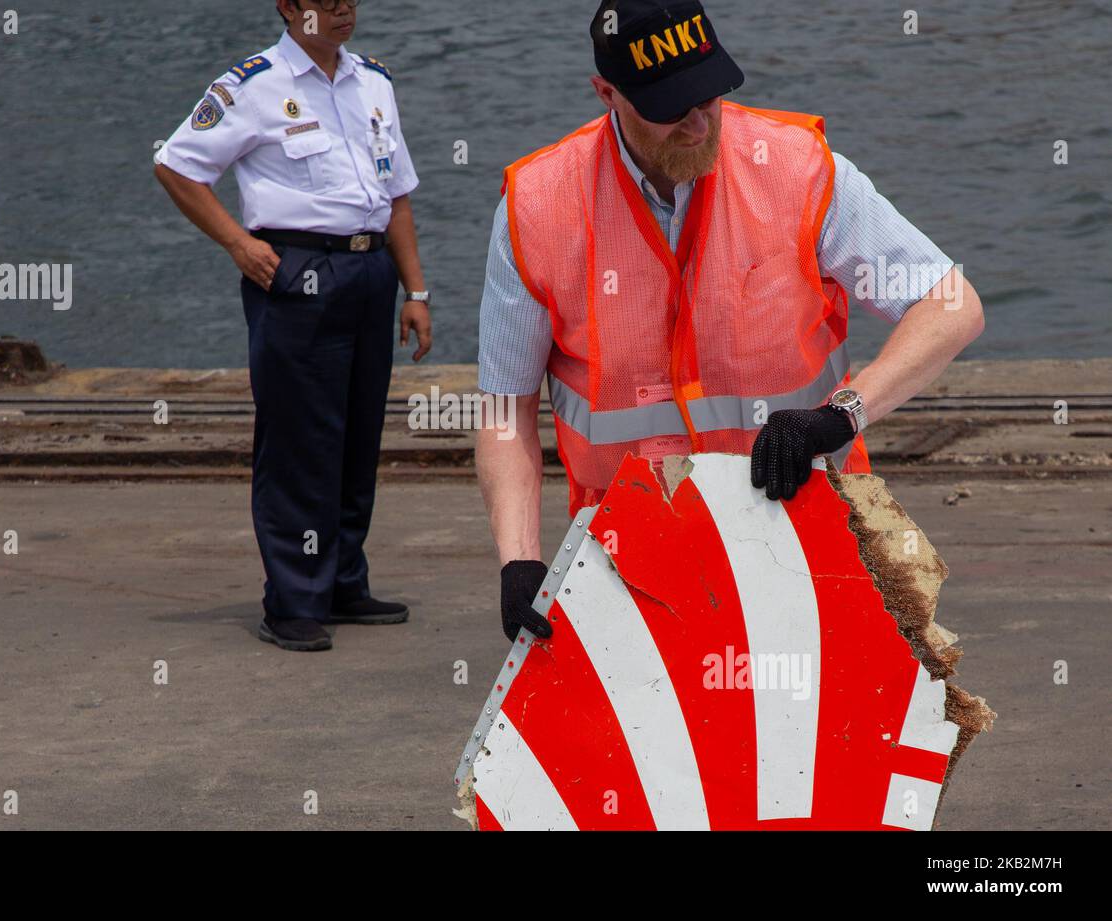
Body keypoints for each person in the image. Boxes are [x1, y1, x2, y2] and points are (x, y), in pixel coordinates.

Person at [475, 0, 985, 642]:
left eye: (709, 95)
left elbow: (950, 304)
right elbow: (505, 408)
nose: (697, 124)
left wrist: (840, 414)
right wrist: (518, 558)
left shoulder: (799, 169)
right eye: (669, 108)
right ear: (606, 93)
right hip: (633, 560)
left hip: (810, 531)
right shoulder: (537, 205)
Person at [154, 0, 433, 652]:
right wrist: (236, 244)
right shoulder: (253, 85)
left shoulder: (375, 83)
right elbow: (175, 163)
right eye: (327, 1)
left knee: (357, 435)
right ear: (289, 6)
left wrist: (415, 289)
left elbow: (397, 195)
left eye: (350, 1)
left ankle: (341, 581)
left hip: (370, 271)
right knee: (299, 438)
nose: (343, 12)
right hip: (296, 269)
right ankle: (292, 599)